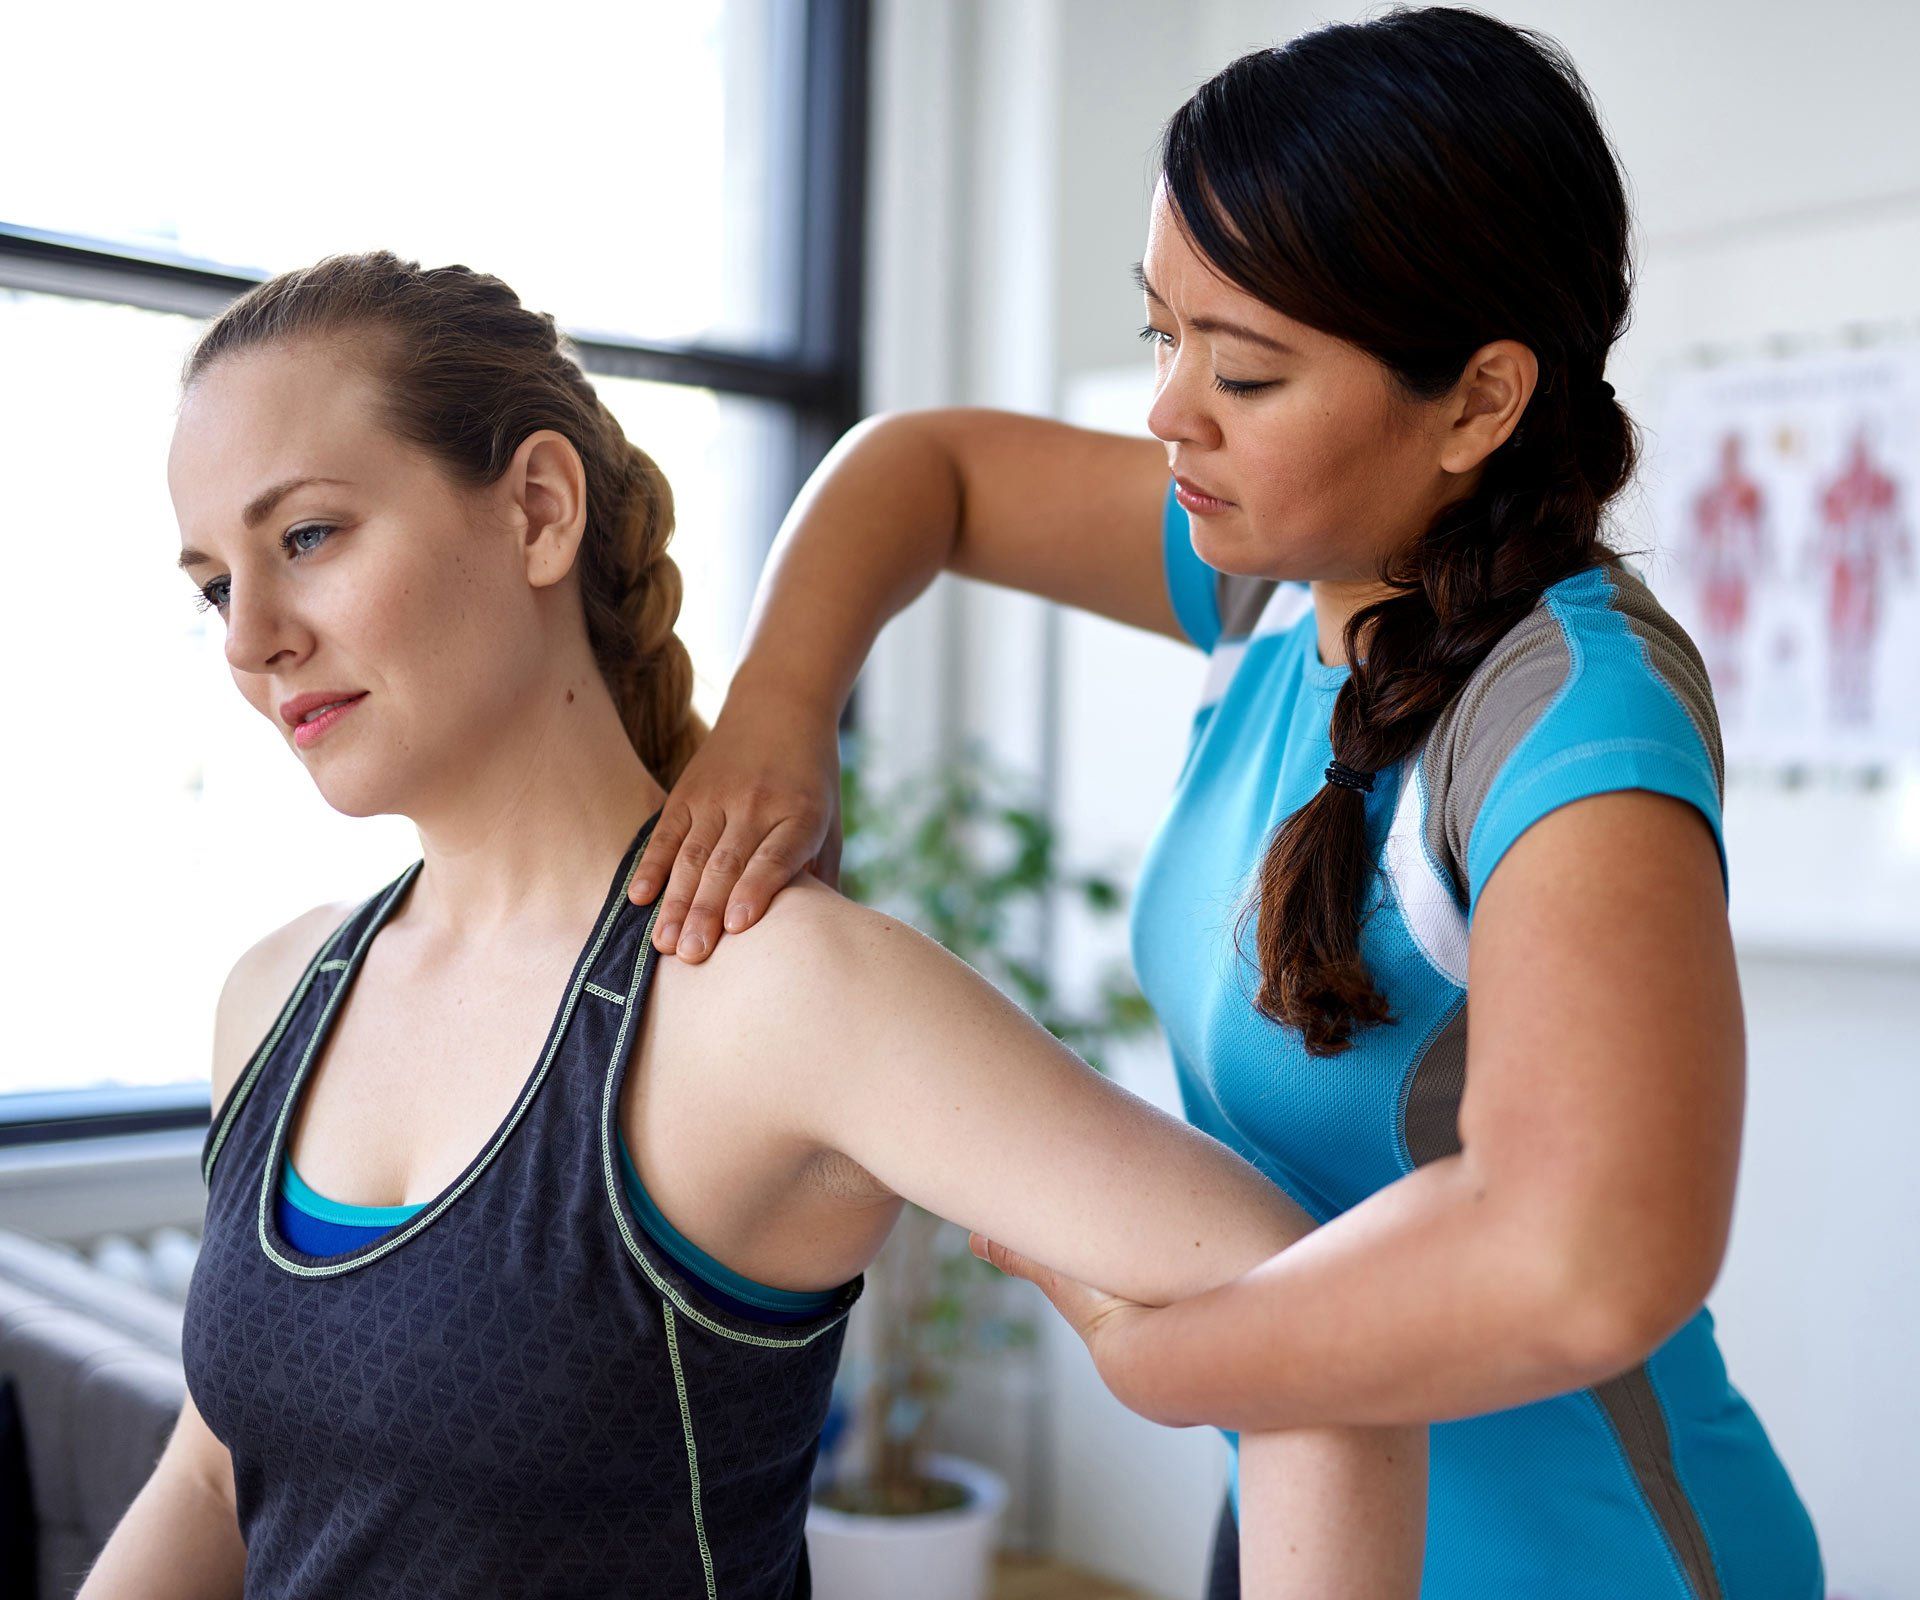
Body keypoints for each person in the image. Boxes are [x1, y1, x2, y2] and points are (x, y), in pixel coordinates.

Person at [621, 9, 1826, 1598]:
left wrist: (1166, 1365)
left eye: (1244, 370)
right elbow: (926, 472)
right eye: (1162, 337)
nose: (1169, 412)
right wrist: (780, 706)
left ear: (1477, 402)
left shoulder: (1568, 718)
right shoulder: (1285, 587)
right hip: (1305, 1521)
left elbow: (1594, 1259)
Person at [78, 248, 1426, 1600]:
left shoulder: (764, 993)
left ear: (539, 511)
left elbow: (1328, 1344)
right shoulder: (274, 997)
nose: (250, 637)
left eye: (306, 537)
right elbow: (215, 1471)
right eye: (213, 586)